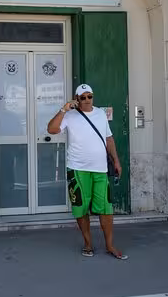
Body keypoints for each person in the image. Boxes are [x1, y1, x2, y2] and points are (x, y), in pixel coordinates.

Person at [47, 84, 128, 260]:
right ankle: (88, 243)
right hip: (78, 169)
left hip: (100, 169)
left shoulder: (100, 114)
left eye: (89, 96)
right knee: (81, 208)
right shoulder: (69, 116)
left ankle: (109, 245)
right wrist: (63, 109)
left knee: (106, 208)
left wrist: (116, 161)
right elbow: (51, 129)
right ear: (76, 99)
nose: (87, 100)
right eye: (82, 97)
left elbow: (109, 138)